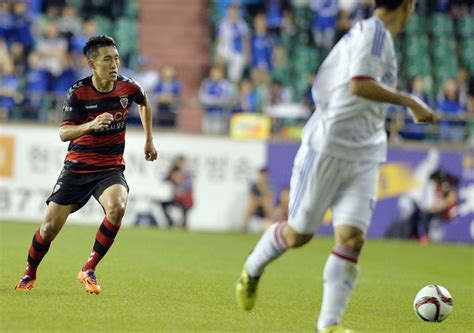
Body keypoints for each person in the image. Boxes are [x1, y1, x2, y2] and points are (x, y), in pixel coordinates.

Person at [235, 1, 435, 332]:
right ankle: (252, 270)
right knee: (298, 235)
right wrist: (410, 100)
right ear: (408, 6)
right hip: (327, 148)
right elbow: (359, 83)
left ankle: (328, 325)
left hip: (365, 152)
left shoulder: (377, 37)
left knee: (352, 238)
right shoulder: (373, 34)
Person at [14, 35, 158, 294]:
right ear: (92, 64)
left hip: (110, 168)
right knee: (48, 229)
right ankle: (29, 273)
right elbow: (64, 134)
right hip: (77, 167)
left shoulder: (128, 87)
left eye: (116, 58)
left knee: (118, 207)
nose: (114, 64)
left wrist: (149, 139)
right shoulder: (78, 92)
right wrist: (91, 125)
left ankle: (88, 268)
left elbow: (144, 101)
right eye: (107, 59)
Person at [161, 155, 194, 228]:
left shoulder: (186, 176)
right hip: (176, 200)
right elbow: (163, 179)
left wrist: (179, 183)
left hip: (186, 202)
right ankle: (170, 222)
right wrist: (170, 172)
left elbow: (185, 189)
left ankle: (183, 224)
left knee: (184, 209)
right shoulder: (173, 172)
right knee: (163, 204)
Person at [243, 167, 274, 233]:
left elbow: (269, 199)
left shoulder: (269, 185)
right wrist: (261, 200)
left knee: (268, 205)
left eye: (264, 175)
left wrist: (263, 188)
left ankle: (272, 226)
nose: (263, 177)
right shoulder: (254, 185)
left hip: (265, 212)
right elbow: (251, 199)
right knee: (251, 206)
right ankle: (244, 227)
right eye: (261, 175)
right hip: (255, 210)